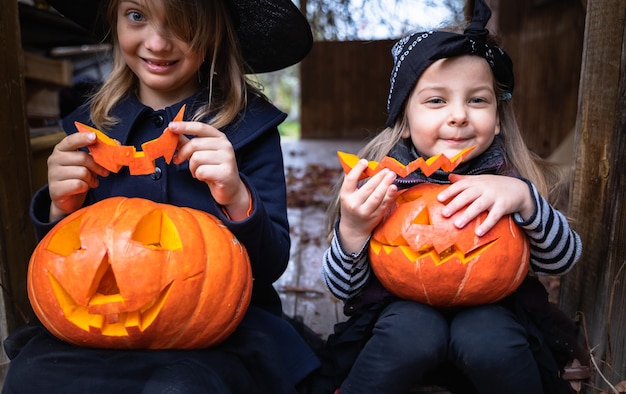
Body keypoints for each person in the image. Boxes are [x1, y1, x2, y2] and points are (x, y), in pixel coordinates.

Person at [3, 0, 320, 393]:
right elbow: (64, 265)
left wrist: (237, 197)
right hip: (100, 324)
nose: (157, 42)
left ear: (217, 32)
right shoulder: (89, 132)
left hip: (217, 332)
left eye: (183, 23)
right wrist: (58, 208)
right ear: (113, 18)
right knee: (30, 377)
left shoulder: (248, 131)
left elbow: (270, 265)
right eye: (137, 16)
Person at [321, 0, 583, 393]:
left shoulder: (509, 179)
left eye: (477, 100)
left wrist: (525, 201)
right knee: (412, 329)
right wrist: (354, 230)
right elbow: (342, 287)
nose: (459, 115)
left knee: (486, 334)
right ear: (405, 121)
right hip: (398, 324)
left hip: (494, 319)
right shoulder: (381, 184)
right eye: (436, 100)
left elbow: (564, 257)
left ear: (496, 120)